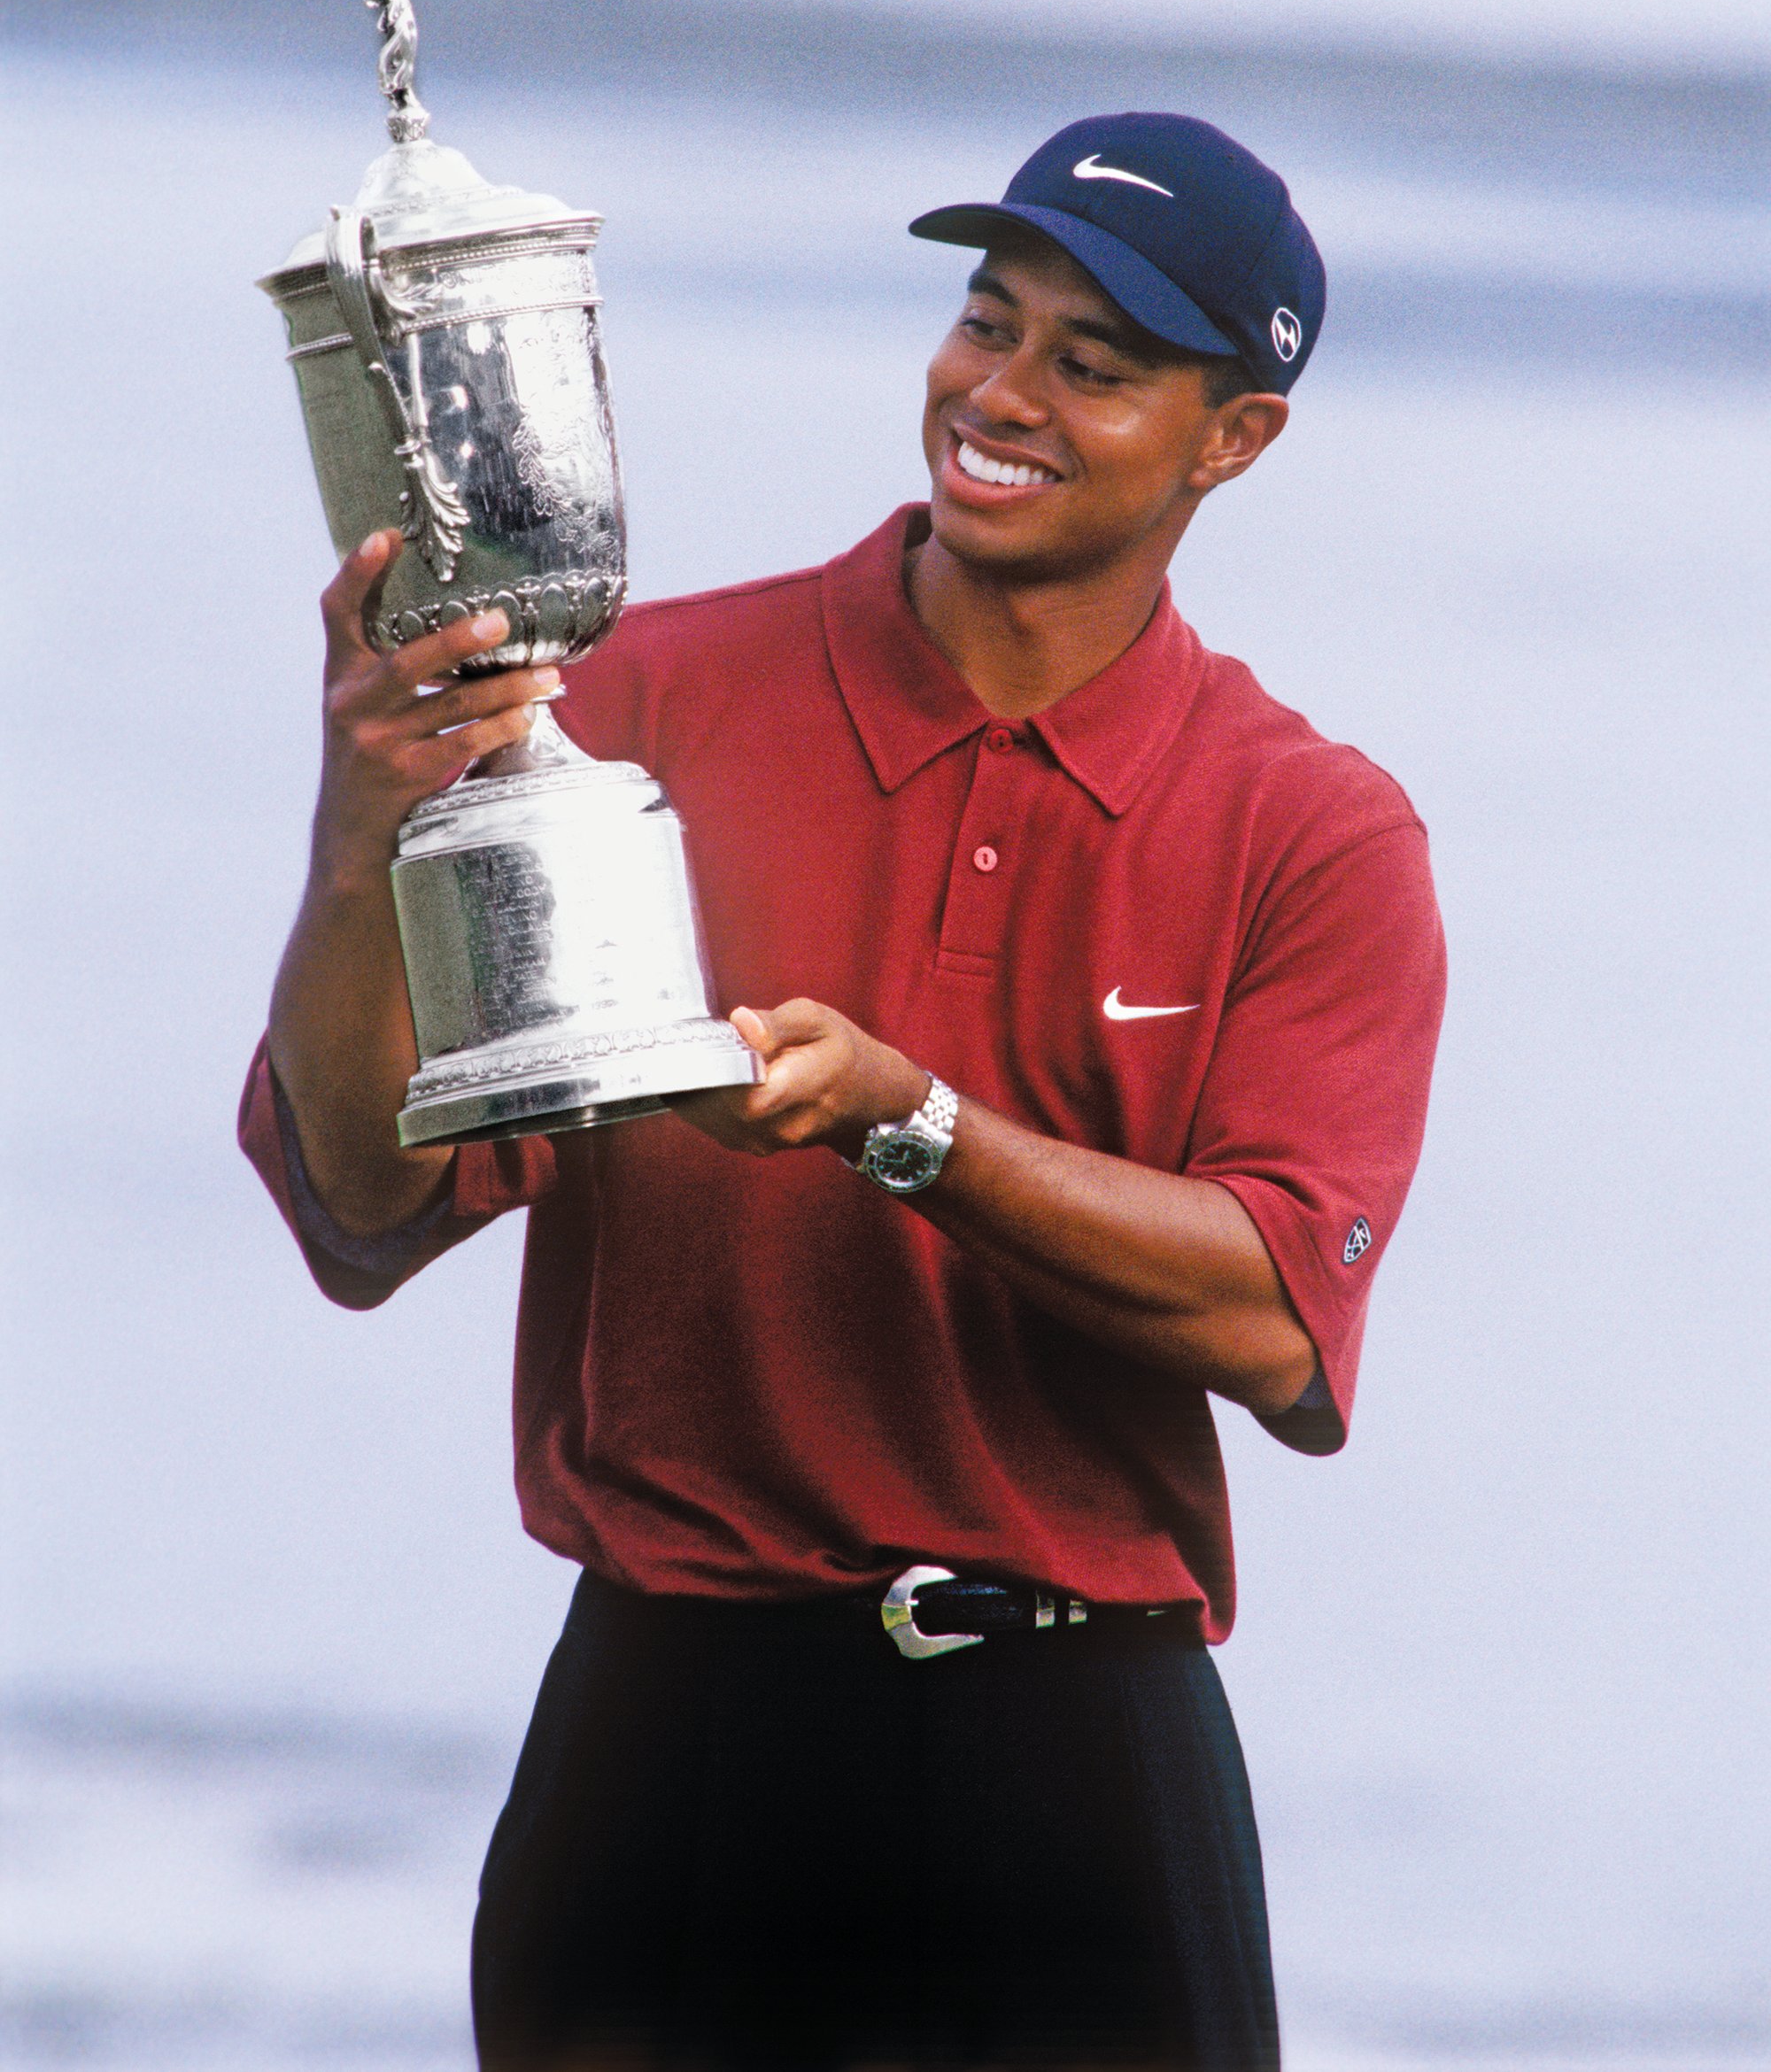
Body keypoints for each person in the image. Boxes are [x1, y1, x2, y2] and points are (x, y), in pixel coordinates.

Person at [240, 112, 1446, 2072]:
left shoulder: (1308, 831)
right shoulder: (636, 703)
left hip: (1075, 1752)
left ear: (1234, 439)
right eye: (988, 318)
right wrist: (368, 808)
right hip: (670, 1730)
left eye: (1097, 360)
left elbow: (1275, 1320)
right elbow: (361, 1208)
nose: (1003, 390)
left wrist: (914, 1127)